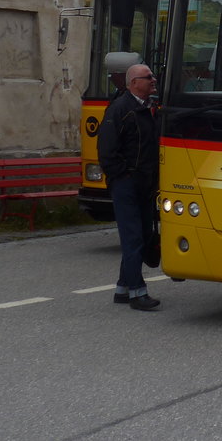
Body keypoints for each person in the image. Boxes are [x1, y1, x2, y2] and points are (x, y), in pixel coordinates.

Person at [97, 64, 161, 311]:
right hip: (127, 184)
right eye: (148, 77)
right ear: (134, 82)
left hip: (144, 183)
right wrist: (122, 176)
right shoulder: (120, 109)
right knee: (133, 237)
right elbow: (106, 150)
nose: (153, 80)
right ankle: (137, 292)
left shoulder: (148, 109)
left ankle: (123, 288)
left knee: (143, 235)